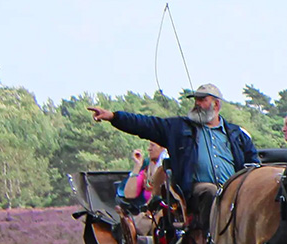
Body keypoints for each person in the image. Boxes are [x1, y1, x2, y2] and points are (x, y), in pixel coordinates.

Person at [88, 85, 259, 227]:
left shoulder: (237, 134)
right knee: (210, 191)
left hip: (234, 189)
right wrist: (113, 117)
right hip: (196, 191)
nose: (197, 104)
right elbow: (144, 124)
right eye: (196, 100)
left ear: (216, 104)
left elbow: (253, 164)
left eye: (202, 100)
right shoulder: (178, 128)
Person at [122, 141, 167, 234]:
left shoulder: (169, 165)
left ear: (163, 147)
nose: (149, 148)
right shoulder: (147, 167)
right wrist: (137, 165)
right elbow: (129, 194)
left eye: (152, 145)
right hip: (148, 214)